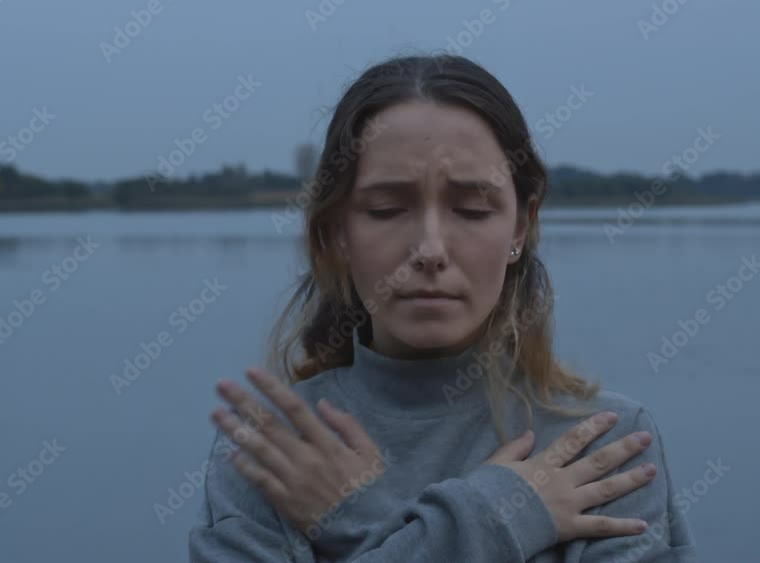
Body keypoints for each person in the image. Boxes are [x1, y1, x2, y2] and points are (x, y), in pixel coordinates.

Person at [188, 54, 696, 562]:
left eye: (472, 210)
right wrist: (501, 516)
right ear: (338, 230)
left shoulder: (603, 444)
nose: (430, 250)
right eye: (387, 209)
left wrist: (356, 521)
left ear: (521, 225)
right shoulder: (274, 448)